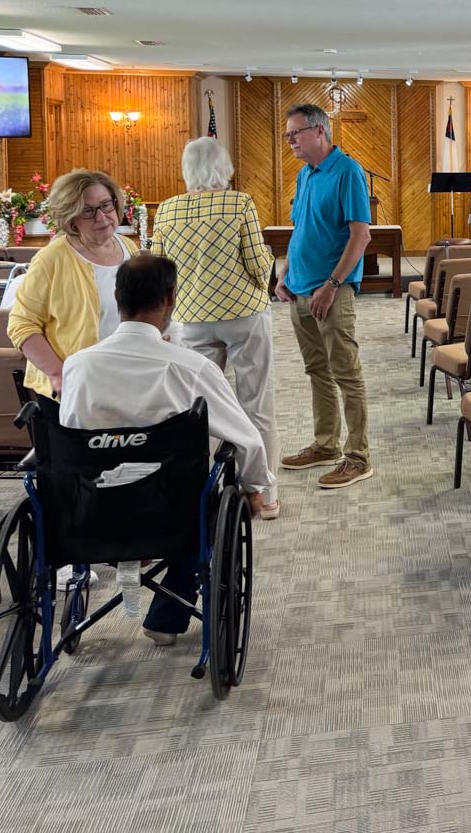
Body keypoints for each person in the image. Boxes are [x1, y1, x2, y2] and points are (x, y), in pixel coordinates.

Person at [59, 254, 272, 645]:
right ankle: (166, 616)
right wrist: (255, 487)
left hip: (91, 510)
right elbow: (247, 440)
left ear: (117, 297)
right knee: (206, 498)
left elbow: (70, 436)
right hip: (170, 515)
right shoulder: (191, 368)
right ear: (171, 298)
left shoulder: (77, 366)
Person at [150, 137, 280, 519]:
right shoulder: (239, 203)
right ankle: (264, 494)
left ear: (187, 169)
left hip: (191, 318)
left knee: (200, 406)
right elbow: (257, 262)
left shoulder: (167, 209)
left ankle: (202, 492)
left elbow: (159, 267)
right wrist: (265, 271)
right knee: (256, 401)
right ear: (224, 166)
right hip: (244, 314)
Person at [275, 103, 374, 490]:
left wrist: (331, 285)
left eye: (295, 133)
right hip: (300, 288)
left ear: (319, 131)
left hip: (331, 292)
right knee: (317, 371)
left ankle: (358, 456)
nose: (290, 141)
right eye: (287, 135)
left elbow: (360, 236)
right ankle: (325, 444)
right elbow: (300, 228)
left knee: (346, 373)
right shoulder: (305, 174)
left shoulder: (347, 171)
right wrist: (285, 272)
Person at [9, 169, 140, 397]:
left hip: (125, 379)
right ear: (70, 217)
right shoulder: (51, 259)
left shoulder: (129, 248)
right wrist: (58, 373)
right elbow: (22, 323)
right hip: (74, 386)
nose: (101, 217)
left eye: (106, 205)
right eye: (88, 211)